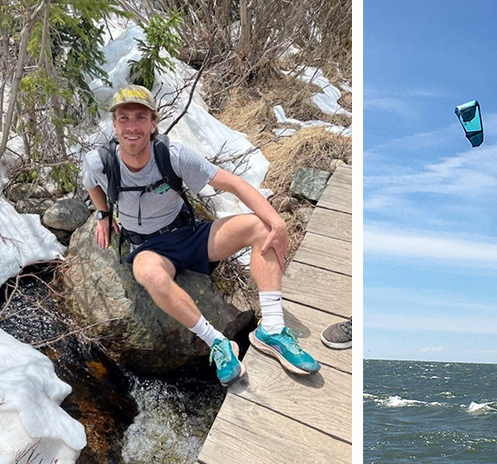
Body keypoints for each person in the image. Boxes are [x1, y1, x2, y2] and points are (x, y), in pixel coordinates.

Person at [81, 85, 320, 385]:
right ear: (114, 125)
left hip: (190, 235)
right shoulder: (100, 162)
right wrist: (103, 214)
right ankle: (218, 342)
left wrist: (277, 222)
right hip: (149, 248)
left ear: (153, 124)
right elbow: (90, 182)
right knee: (152, 275)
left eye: (140, 118)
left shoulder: (172, 155)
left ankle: (271, 329)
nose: (132, 127)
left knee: (261, 228)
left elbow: (233, 184)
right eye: (124, 118)